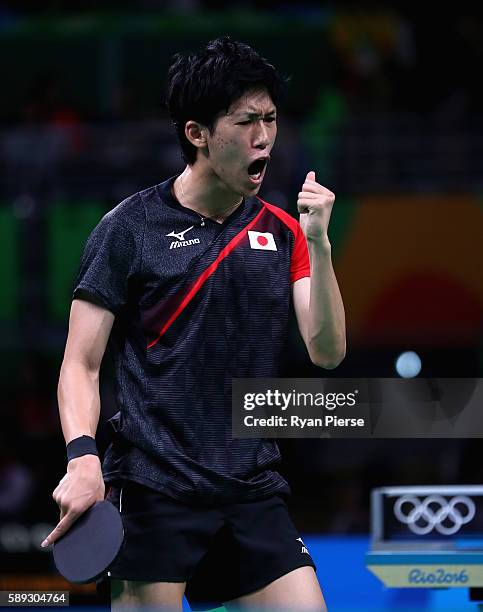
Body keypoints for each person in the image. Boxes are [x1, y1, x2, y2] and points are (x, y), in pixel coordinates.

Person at [42, 36, 345, 611]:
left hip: (252, 487)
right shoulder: (128, 229)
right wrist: (82, 457)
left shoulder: (285, 232)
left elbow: (327, 352)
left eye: (271, 119)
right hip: (156, 490)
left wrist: (321, 246)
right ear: (197, 133)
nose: (264, 137)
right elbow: (80, 364)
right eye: (245, 121)